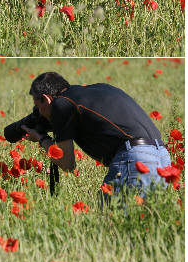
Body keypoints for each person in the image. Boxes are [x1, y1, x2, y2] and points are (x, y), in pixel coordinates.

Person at [19, 72, 173, 196]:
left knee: (111, 224)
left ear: (46, 99)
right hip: (163, 158)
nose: (39, 112)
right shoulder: (100, 88)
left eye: (38, 106)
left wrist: (41, 138)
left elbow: (67, 164)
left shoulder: (61, 104)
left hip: (136, 158)